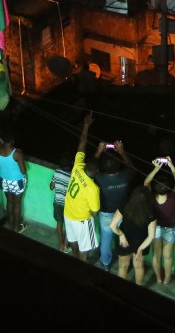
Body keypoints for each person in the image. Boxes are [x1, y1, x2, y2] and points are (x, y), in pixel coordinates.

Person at [64, 112, 101, 261]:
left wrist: (85, 126)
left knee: (73, 242)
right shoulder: (93, 188)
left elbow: (81, 146)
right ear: (97, 172)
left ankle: (74, 262)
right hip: (82, 220)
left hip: (68, 214)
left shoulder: (77, 167)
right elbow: (95, 212)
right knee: (84, 250)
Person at [94, 139, 134, 271]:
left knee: (105, 240)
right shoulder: (125, 176)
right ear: (119, 165)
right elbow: (132, 168)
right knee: (122, 237)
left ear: (102, 167)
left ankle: (105, 263)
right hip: (122, 213)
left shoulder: (99, 178)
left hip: (105, 214)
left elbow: (89, 168)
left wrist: (99, 151)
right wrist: (122, 153)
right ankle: (123, 261)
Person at [144, 155, 175, 285]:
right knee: (168, 256)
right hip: (169, 228)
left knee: (156, 255)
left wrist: (156, 168)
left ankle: (159, 278)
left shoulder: (151, 197)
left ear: (155, 188)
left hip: (155, 228)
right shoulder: (173, 197)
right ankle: (167, 279)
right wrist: (171, 166)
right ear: (168, 188)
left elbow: (146, 183)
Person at [109, 187, 156, 284]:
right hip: (141, 242)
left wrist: (121, 234)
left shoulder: (126, 204)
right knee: (139, 266)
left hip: (124, 241)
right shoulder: (151, 212)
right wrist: (140, 249)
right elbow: (151, 236)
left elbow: (112, 225)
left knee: (123, 266)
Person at [0, 129, 28, 233]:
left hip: (4, 180)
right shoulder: (17, 153)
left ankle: (11, 226)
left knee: (9, 202)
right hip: (17, 182)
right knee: (17, 203)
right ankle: (15, 228)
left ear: (1, 139)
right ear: (13, 141)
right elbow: (23, 171)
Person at [49, 153, 72, 253]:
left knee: (59, 224)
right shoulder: (71, 175)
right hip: (67, 204)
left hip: (57, 202)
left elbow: (51, 187)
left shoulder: (57, 171)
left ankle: (61, 245)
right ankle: (66, 245)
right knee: (68, 226)